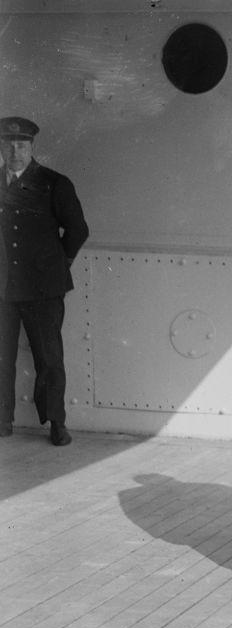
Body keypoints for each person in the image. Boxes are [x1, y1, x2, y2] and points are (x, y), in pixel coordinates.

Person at [0, 116, 89, 445]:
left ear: (32, 147)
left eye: (21, 145)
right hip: (3, 288)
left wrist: (57, 264)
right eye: (8, 145)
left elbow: (78, 230)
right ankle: (2, 420)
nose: (14, 151)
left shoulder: (53, 183)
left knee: (49, 358)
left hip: (43, 289)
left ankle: (56, 423)